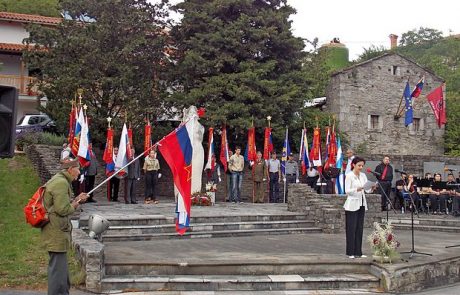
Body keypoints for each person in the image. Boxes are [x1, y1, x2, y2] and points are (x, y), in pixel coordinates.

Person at [41, 158, 88, 295]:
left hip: (56, 230)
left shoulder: (60, 180)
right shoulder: (61, 183)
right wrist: (76, 203)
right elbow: (63, 209)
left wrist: (77, 199)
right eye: (77, 169)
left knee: (61, 270)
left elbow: (59, 206)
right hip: (56, 232)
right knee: (57, 270)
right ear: (70, 169)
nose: (79, 172)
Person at [344, 156, 372, 259]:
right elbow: (347, 190)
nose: (361, 167)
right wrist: (358, 189)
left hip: (361, 203)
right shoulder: (349, 176)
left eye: (362, 166)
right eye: (359, 165)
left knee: (359, 228)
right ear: (353, 165)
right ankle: (350, 252)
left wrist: (371, 187)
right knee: (351, 228)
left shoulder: (363, 175)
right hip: (352, 204)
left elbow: (367, 189)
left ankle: (358, 252)